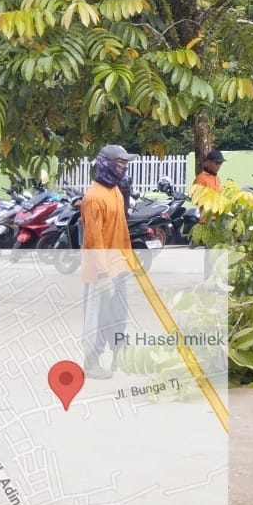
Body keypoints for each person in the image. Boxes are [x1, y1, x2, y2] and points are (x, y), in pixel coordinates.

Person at [81, 143, 138, 379]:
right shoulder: (93, 198)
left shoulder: (114, 191)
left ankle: (118, 357)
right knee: (96, 318)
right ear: (105, 165)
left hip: (119, 265)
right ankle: (91, 362)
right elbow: (94, 240)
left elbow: (119, 231)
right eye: (119, 164)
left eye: (125, 164)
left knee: (118, 314)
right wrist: (103, 274)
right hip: (100, 272)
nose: (123, 169)